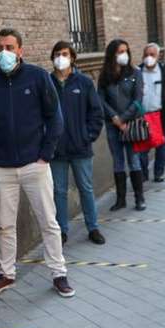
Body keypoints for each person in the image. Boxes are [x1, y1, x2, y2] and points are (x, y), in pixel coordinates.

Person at [0, 28, 74, 297]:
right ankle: (6, 274)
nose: (3, 52)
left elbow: (55, 118)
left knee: (48, 221)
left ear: (21, 50)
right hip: (2, 169)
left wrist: (45, 155)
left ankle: (59, 273)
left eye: (9, 47)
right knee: (4, 225)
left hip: (35, 164)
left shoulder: (39, 77)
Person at [48, 41, 105, 245]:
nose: (60, 58)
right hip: (56, 150)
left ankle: (93, 228)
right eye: (57, 54)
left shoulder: (84, 82)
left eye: (64, 54)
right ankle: (62, 231)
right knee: (59, 192)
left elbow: (96, 113)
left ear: (72, 57)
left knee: (86, 189)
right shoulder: (46, 83)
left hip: (81, 148)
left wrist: (87, 135)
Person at [98, 38, 146, 211]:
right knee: (118, 162)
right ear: (112, 54)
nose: (123, 54)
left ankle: (139, 198)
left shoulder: (135, 73)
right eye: (119, 51)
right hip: (112, 125)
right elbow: (100, 100)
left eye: (125, 51)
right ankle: (120, 200)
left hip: (131, 124)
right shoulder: (105, 75)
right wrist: (115, 118)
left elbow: (138, 100)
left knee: (134, 161)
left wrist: (124, 119)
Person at [138, 43, 165, 183]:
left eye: (152, 55)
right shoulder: (137, 72)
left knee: (162, 147)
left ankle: (159, 172)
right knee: (142, 149)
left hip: (161, 115)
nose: (149, 57)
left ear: (158, 56)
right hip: (142, 117)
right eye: (146, 54)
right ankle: (143, 174)